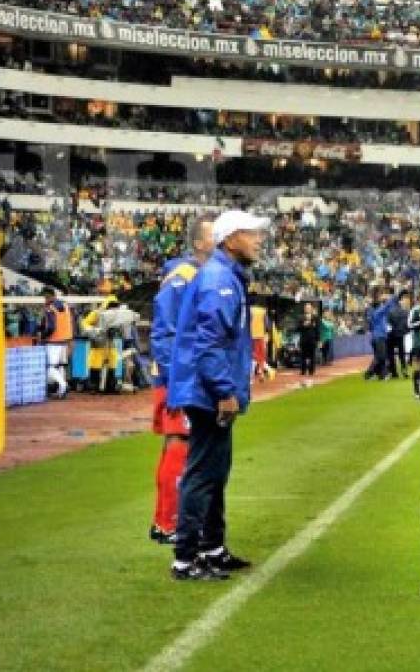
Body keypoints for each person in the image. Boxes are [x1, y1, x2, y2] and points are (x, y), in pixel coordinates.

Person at [167, 209, 269, 581]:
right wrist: (225, 391)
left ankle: (212, 548)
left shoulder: (226, 277)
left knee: (215, 471)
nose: (258, 240)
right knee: (202, 473)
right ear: (230, 239)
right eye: (251, 233)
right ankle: (186, 557)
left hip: (206, 386)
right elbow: (209, 343)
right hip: (207, 389)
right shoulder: (219, 280)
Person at [147, 215, 214, 545]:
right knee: (181, 443)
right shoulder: (182, 276)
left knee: (177, 444)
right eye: (214, 234)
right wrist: (179, 380)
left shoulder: (199, 275)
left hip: (183, 376)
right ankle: (170, 521)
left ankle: (163, 520)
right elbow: (164, 332)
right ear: (199, 243)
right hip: (178, 378)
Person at [39, 286, 74, 399]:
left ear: (49, 296)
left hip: (53, 341)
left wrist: (43, 336)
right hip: (65, 340)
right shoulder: (65, 306)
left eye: (45, 297)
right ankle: (60, 390)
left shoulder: (50, 309)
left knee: (51, 367)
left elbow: (51, 327)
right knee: (60, 366)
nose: (44, 300)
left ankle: (63, 385)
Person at [407, 293, 420, 399]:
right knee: (418, 368)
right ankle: (416, 391)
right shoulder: (415, 310)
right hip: (418, 344)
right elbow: (409, 324)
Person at [387, 290, 410, 378]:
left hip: (391, 335)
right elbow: (407, 325)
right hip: (400, 335)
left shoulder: (391, 312)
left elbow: (388, 325)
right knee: (401, 354)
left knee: (391, 354)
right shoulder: (405, 312)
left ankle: (394, 372)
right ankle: (404, 371)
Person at [250, 300, 270, 380]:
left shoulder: (250, 310)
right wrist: (267, 333)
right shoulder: (263, 311)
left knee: (253, 355)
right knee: (261, 356)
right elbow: (267, 324)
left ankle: (251, 375)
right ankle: (260, 371)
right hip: (260, 335)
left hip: (251, 335)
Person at [298, 303, 320, 376]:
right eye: (306, 308)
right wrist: (303, 325)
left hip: (312, 340)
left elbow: (317, 329)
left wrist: (318, 340)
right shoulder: (301, 317)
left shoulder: (315, 317)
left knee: (312, 356)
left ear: (311, 309)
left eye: (309, 308)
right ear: (304, 309)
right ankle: (303, 371)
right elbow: (297, 329)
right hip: (303, 340)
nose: (307, 309)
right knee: (303, 356)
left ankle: (311, 371)